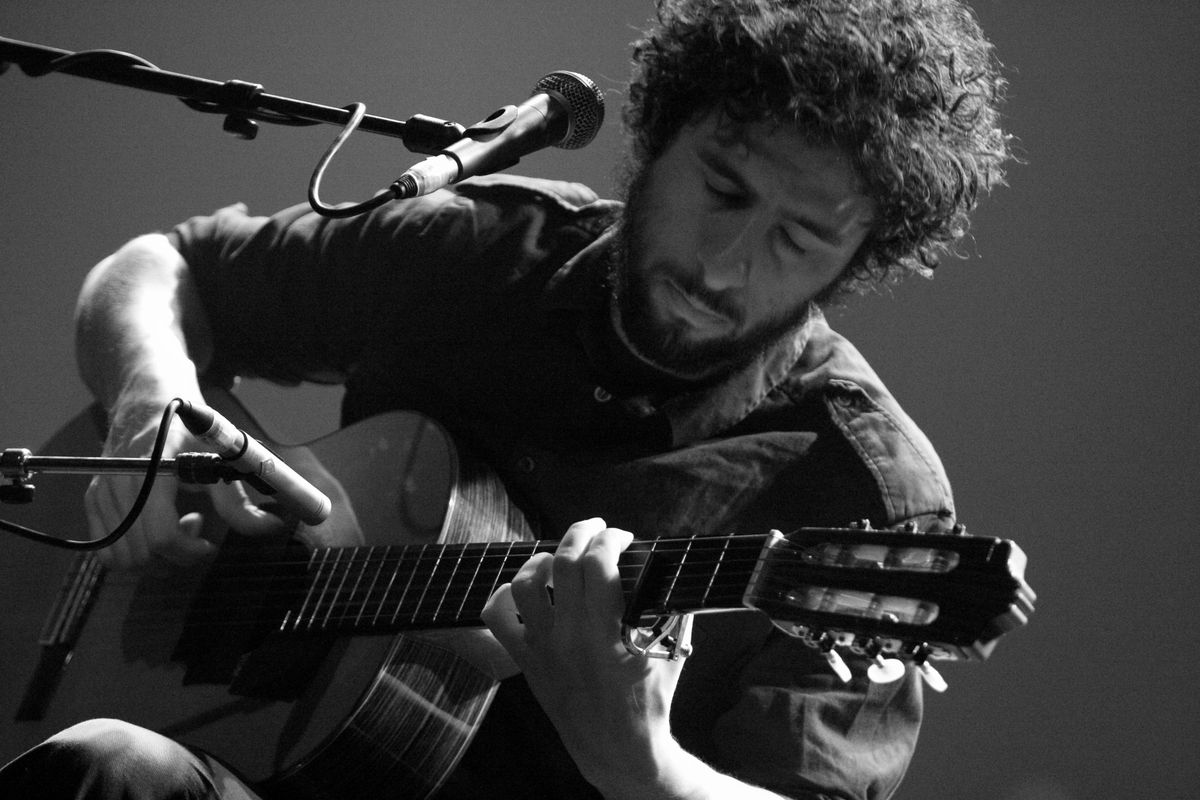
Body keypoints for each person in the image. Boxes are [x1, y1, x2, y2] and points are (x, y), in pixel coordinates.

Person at [0, 0, 1011, 797]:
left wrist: (645, 767)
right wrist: (150, 407)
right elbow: (159, 268)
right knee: (107, 768)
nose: (725, 264)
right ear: (657, 136)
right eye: (723, 190)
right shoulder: (480, 250)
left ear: (858, 260)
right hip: (232, 765)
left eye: (798, 240)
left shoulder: (865, 493)